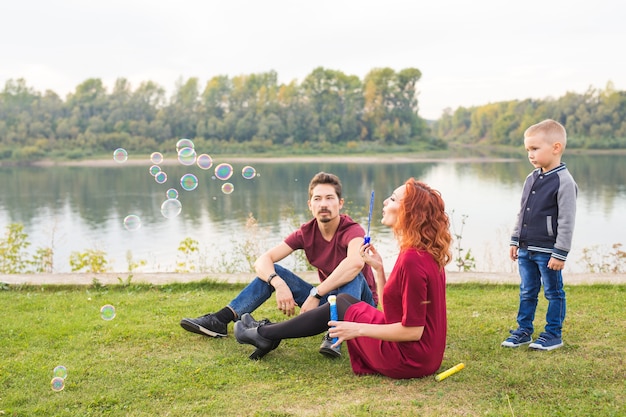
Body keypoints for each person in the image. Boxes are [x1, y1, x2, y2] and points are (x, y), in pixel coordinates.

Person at [234, 179, 452, 379]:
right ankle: (266, 334)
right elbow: (392, 313)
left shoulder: (412, 260)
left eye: (393, 199)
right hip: (423, 355)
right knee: (345, 301)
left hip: (408, 360)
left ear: (410, 211)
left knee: (343, 303)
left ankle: (265, 334)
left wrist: (355, 329)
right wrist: (379, 270)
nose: (385, 201)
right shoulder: (422, 252)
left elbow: (413, 331)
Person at [180, 172, 377, 358]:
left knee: (354, 275)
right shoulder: (306, 232)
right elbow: (263, 260)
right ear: (310, 205)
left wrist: (315, 294)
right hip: (329, 301)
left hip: (360, 305)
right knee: (273, 272)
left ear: (340, 203)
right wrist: (279, 284)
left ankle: (334, 337)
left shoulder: (352, 230)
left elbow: (354, 264)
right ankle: (220, 320)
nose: (323, 204)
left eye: (329, 198)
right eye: (317, 199)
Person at [502, 119, 578, 351]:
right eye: (528, 150)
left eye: (535, 149)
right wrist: (515, 239)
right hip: (526, 248)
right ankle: (523, 331)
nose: (530, 155)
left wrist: (560, 253)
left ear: (556, 148)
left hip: (548, 252)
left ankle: (553, 334)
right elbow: (522, 212)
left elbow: (567, 221)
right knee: (527, 291)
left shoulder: (564, 182)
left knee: (553, 292)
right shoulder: (531, 178)